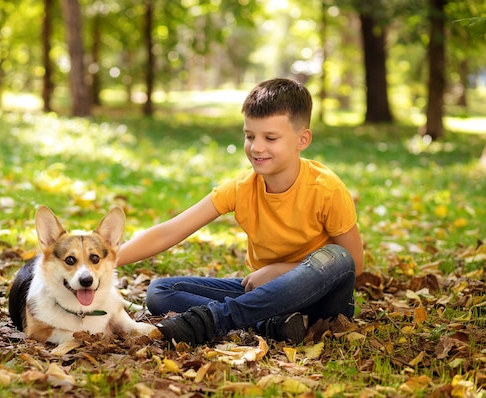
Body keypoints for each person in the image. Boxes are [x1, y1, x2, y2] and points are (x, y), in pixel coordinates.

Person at [117, 78, 364, 346]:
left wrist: (279, 271)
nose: (256, 147)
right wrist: (105, 260)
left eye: (270, 137)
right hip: (265, 295)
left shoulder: (326, 188)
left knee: (337, 257)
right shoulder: (241, 187)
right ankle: (269, 324)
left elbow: (354, 264)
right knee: (160, 291)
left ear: (302, 139)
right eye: (249, 136)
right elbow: (171, 230)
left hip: (321, 301)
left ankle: (216, 320)